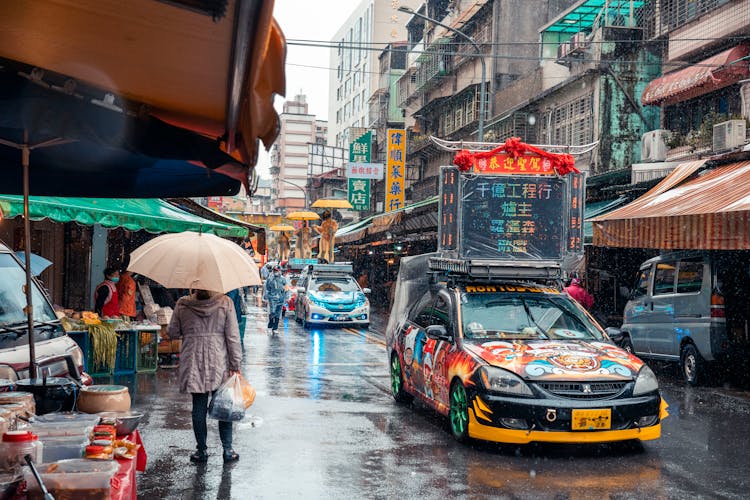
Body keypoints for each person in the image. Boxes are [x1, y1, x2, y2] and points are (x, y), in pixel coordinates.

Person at [167, 289, 242, 463]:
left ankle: (201, 451)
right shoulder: (225, 303)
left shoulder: (183, 304)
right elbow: (233, 337)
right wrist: (236, 364)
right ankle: (228, 449)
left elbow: (173, 332)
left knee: (198, 407)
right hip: (219, 362)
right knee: (224, 406)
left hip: (193, 361)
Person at [262, 265, 287, 333]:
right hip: (272, 298)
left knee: (278, 313)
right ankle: (270, 323)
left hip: (281, 298)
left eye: (277, 270)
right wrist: (265, 297)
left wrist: (287, 297)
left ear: (280, 271)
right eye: (274, 271)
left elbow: (286, 288)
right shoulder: (270, 279)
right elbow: (267, 289)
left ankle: (275, 328)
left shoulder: (283, 279)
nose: (275, 272)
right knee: (273, 311)